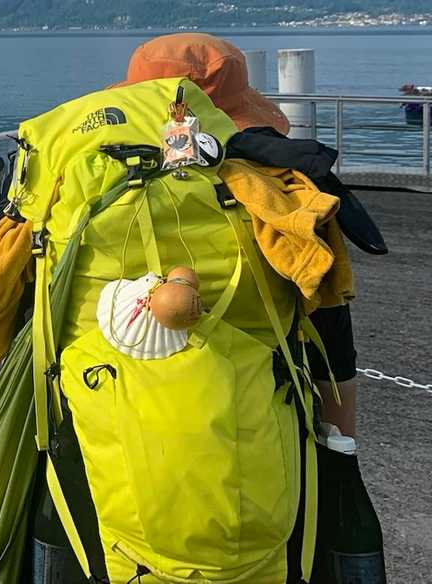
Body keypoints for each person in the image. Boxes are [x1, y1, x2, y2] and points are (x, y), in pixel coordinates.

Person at [118, 32, 366, 435]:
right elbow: (333, 354)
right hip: (253, 425)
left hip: (114, 419)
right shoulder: (286, 195)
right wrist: (343, 450)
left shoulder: (90, 187)